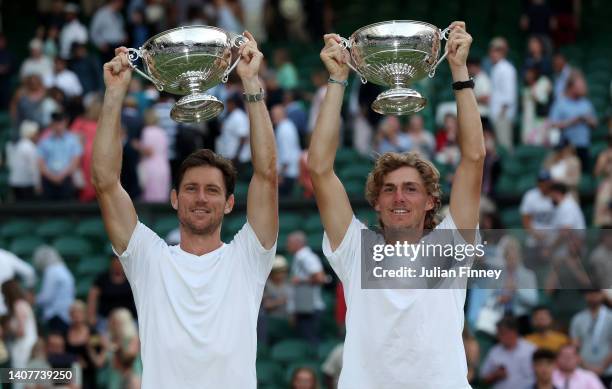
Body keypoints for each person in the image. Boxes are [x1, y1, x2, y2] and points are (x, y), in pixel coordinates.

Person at [92, 30, 278, 387]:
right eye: (191, 189)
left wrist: (251, 84)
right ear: (175, 199)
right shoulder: (150, 259)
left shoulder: (249, 257)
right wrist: (115, 94)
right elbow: (105, 182)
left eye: (212, 190)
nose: (201, 198)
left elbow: (267, 175)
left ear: (228, 204)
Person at [307, 21, 484, 388]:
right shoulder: (356, 249)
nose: (399, 197)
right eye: (388, 190)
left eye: (410, 189)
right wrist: (338, 80)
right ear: (376, 202)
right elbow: (320, 169)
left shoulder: (451, 246)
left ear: (431, 201)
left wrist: (459, 70)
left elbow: (474, 158)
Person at [548, 70, 597, 169]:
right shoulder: (560, 103)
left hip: (583, 147)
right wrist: (572, 121)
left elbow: (595, 123)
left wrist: (587, 120)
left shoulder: (586, 104)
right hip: (566, 148)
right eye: (580, 86)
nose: (584, 88)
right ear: (571, 87)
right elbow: (552, 124)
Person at [287, 231, 326, 344]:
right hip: (303, 307)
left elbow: (320, 278)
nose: (286, 245)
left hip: (310, 308)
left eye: (289, 242)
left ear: (298, 243)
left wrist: (300, 280)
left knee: (311, 342)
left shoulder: (305, 256)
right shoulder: (300, 256)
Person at [480, 316, 536, 389]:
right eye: (498, 333)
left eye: (503, 333)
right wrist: (495, 375)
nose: (499, 336)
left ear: (514, 331)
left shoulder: (531, 350)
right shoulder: (495, 351)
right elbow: (483, 378)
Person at [37, 111, 83, 200]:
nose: (58, 126)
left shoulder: (73, 140)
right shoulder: (44, 140)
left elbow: (75, 162)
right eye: (55, 123)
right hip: (48, 180)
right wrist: (52, 177)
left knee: (66, 208)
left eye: (60, 123)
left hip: (66, 179)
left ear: (65, 123)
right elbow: (40, 163)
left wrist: (61, 176)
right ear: (52, 124)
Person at [569, 289, 612, 385]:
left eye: (596, 292)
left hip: (608, 371)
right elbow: (575, 347)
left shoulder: (610, 317)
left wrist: (602, 368)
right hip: (583, 371)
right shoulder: (578, 318)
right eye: (590, 293)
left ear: (602, 294)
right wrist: (585, 366)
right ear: (585, 295)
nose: (593, 296)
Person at [87, 255, 136, 332]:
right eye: (115, 263)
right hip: (106, 319)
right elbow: (92, 298)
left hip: (128, 319)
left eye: (119, 263)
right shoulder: (102, 279)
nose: (117, 266)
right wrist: (91, 316)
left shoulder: (132, 278)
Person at [33, 245, 75, 335]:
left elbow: (46, 297)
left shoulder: (51, 270)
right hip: (66, 313)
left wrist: (34, 300)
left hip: (56, 315)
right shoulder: (63, 268)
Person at [488, 37, 517, 151]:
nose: (492, 53)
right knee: (499, 147)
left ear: (503, 52)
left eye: (496, 50)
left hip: (503, 114)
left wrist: (502, 113)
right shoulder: (496, 68)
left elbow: (509, 95)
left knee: (505, 146)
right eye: (492, 50)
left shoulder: (507, 68)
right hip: (496, 113)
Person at [7, 120, 41, 200]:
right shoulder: (30, 147)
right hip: (26, 184)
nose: (37, 136)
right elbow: (33, 168)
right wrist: (38, 184)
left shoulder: (18, 145)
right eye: (36, 134)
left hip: (14, 182)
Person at [0, 248, 36, 317]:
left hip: (7, 305)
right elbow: (29, 272)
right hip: (8, 307)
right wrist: (30, 292)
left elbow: (29, 272)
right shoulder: (5, 255)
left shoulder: (4, 255)